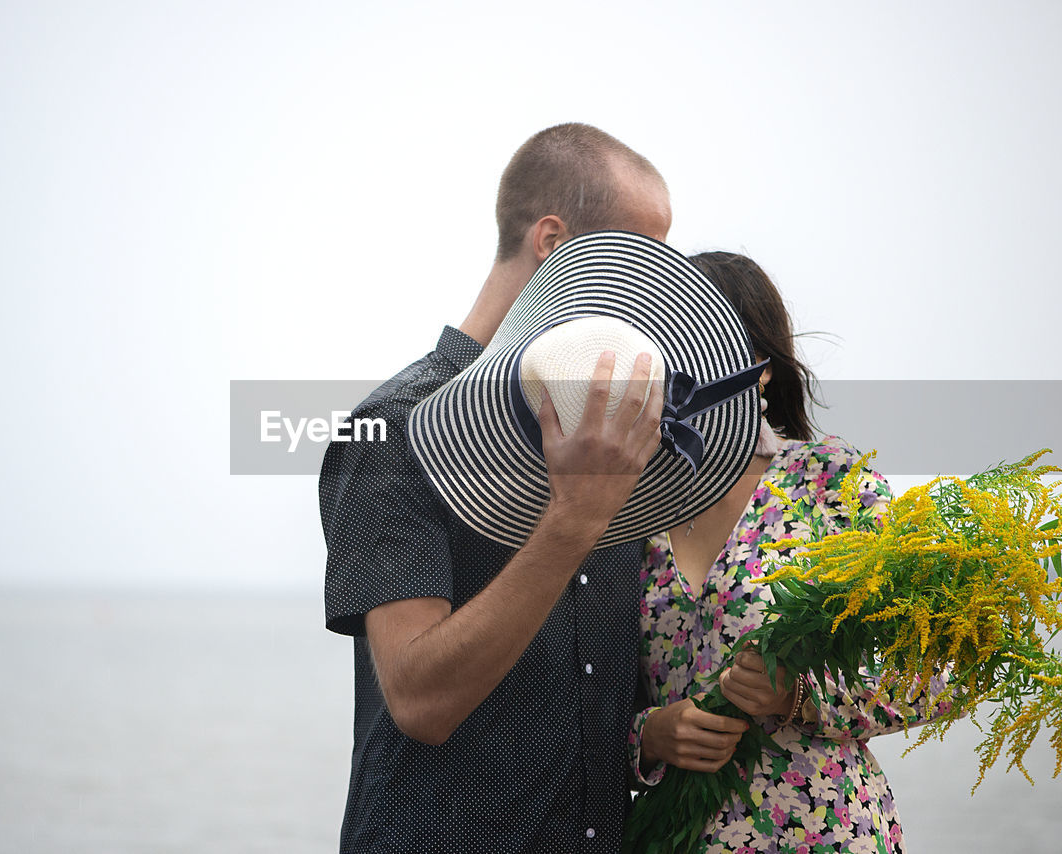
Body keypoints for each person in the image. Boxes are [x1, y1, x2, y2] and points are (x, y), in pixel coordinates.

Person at [320, 123, 672, 853]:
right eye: (635, 255)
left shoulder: (614, 432)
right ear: (551, 242)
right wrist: (574, 519)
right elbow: (420, 700)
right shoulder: (393, 428)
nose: (653, 286)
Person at [628, 251, 949, 854]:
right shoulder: (630, 511)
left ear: (761, 367)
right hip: (678, 837)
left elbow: (938, 667)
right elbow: (583, 692)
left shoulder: (832, 482)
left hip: (827, 832)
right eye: (667, 346)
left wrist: (802, 695)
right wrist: (649, 737)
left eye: (706, 345)